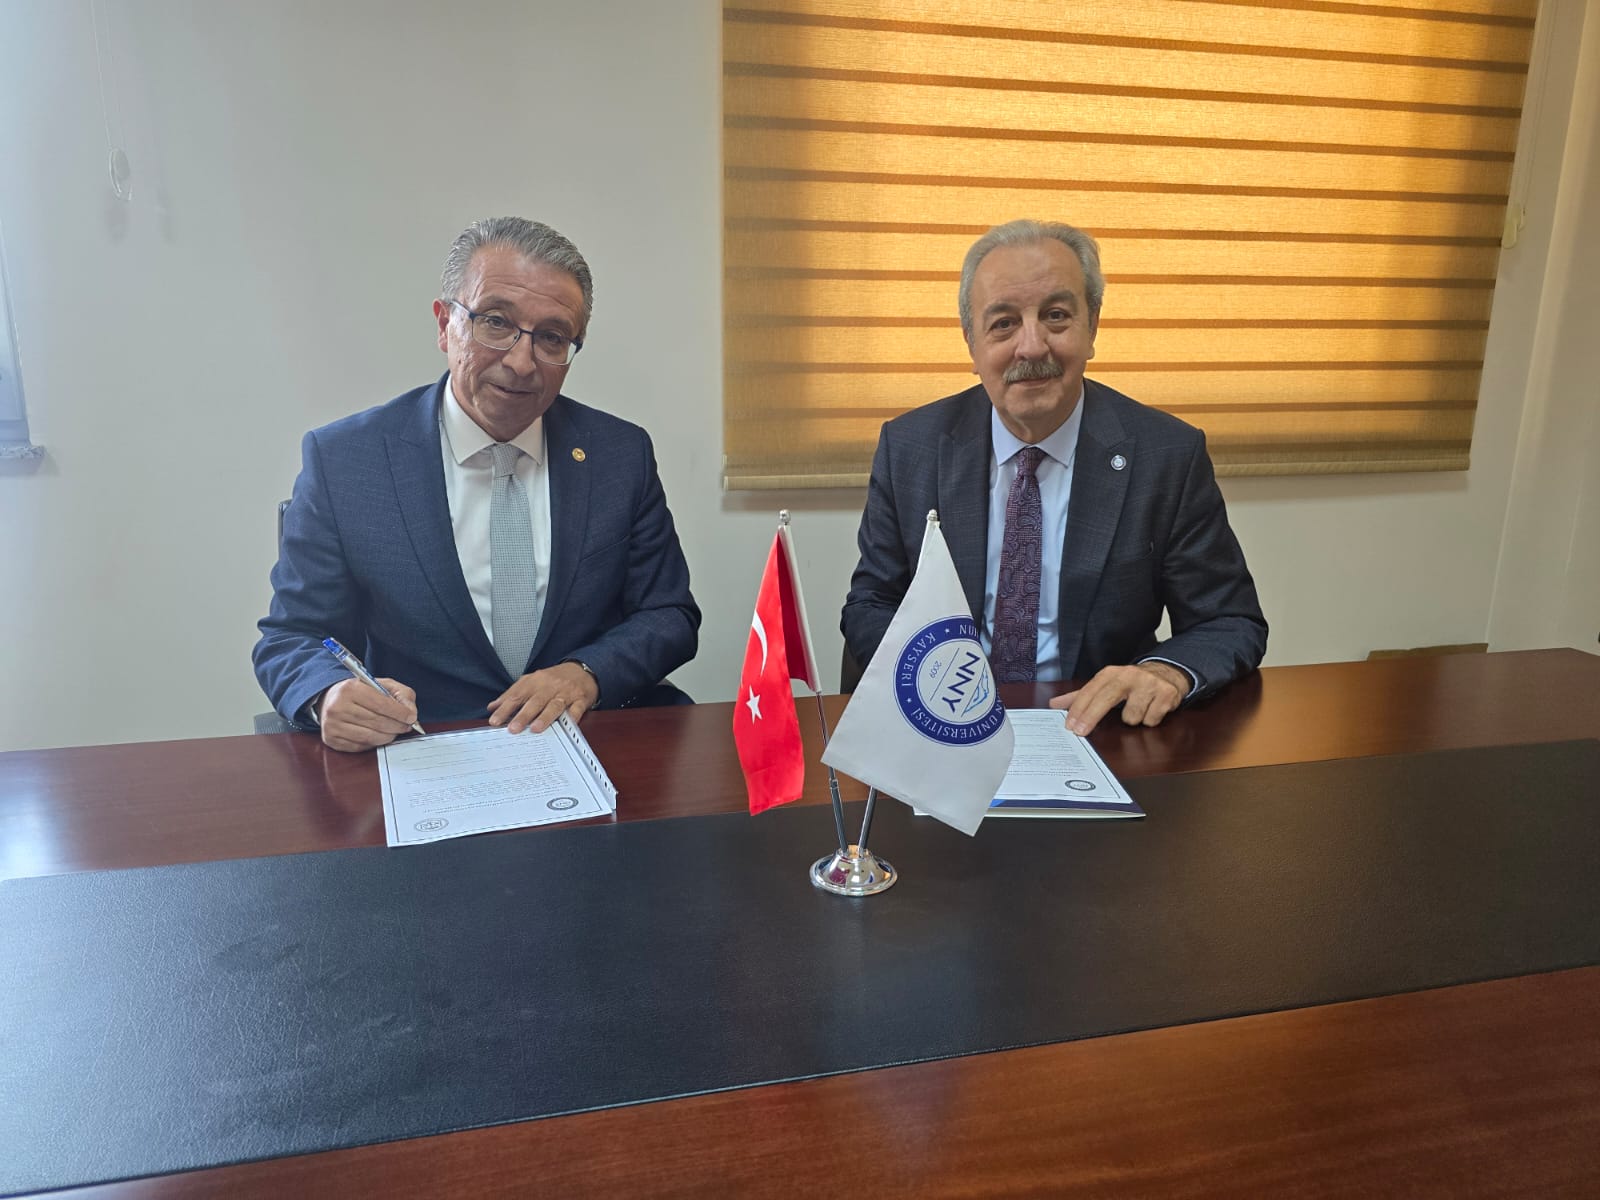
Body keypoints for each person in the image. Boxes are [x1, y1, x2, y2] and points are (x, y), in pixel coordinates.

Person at [254, 217, 700, 752]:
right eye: (495, 322)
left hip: (586, 743)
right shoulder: (347, 462)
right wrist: (327, 693)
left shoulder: (619, 455)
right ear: (445, 325)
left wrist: (587, 673)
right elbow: (292, 636)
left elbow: (668, 615)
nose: (521, 362)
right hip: (423, 749)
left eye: (552, 337)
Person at [841, 219, 1266, 736]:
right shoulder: (911, 448)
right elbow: (872, 605)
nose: (1032, 346)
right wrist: (933, 685)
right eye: (1003, 323)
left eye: (1056, 316)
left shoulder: (1167, 455)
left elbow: (1228, 619)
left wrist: (1164, 673)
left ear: (1093, 327)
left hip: (1099, 730)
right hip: (945, 726)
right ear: (971, 343)